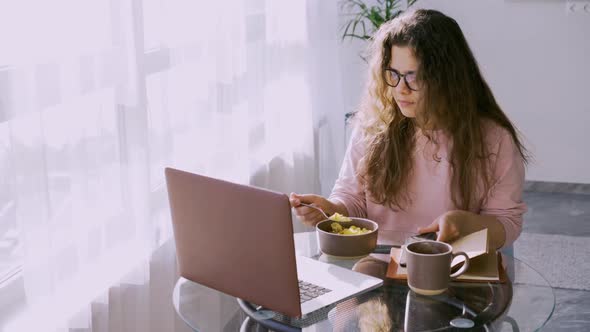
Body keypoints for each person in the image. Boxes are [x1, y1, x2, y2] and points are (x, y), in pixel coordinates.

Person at [290, 9, 528, 250]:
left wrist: (467, 223)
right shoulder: (373, 125)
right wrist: (332, 210)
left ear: (447, 79)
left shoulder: (495, 138)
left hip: (454, 265)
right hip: (379, 261)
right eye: (393, 74)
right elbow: (352, 198)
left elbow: (507, 222)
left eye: (413, 77)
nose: (401, 89)